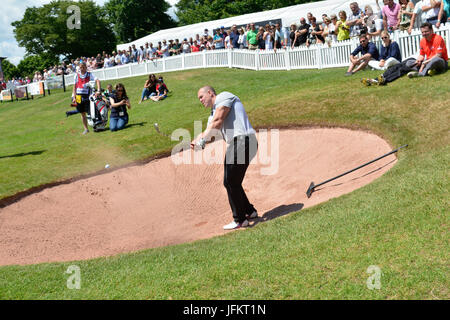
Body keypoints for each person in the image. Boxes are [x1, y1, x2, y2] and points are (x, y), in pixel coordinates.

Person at [191, 86, 258, 230]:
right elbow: (212, 133)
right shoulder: (212, 114)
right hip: (238, 143)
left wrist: (202, 138)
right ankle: (249, 211)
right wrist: (199, 141)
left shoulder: (223, 97)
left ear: (210, 93)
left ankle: (239, 220)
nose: (200, 101)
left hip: (243, 141)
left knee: (230, 181)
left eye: (201, 97)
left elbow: (218, 121)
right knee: (232, 181)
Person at [71, 62, 101, 134]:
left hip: (87, 95)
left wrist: (98, 90)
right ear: (79, 67)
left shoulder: (89, 74)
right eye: (81, 67)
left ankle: (95, 126)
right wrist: (74, 97)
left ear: (86, 67)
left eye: (83, 67)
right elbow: (75, 86)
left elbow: (97, 80)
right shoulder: (76, 75)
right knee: (82, 113)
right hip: (78, 96)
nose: (82, 68)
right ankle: (86, 129)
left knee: (90, 112)